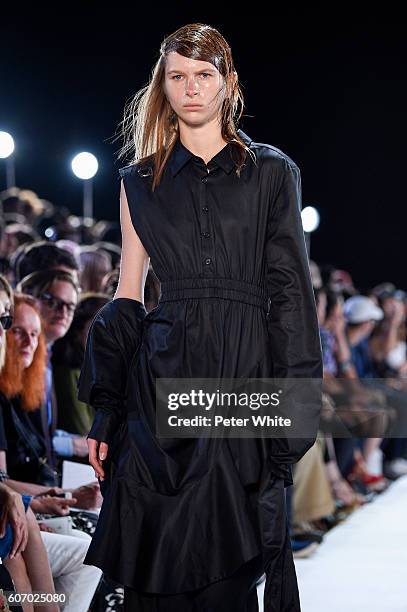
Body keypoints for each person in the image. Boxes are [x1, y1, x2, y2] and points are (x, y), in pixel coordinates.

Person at [78, 23, 322, 612]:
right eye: (177, 76)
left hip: (241, 381)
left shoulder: (271, 174)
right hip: (158, 382)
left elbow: (290, 295)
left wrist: (296, 406)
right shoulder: (139, 180)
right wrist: (107, 411)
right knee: (151, 568)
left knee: (225, 575)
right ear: (163, 85)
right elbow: (128, 296)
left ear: (228, 83)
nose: (190, 89)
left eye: (203, 76)